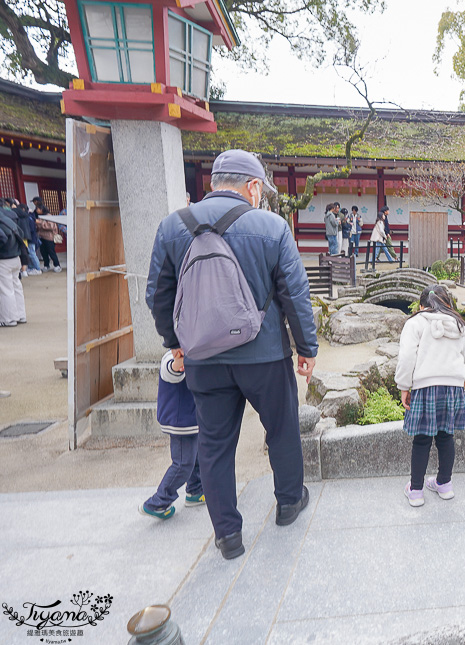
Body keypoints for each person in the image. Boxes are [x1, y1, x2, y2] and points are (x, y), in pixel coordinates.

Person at [146, 149, 319, 560]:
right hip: (264, 355)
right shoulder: (272, 227)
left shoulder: (173, 227)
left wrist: (175, 343)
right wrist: (307, 348)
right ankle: (289, 503)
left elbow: (158, 295)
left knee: (215, 443)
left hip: (203, 359)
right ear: (253, 187)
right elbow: (295, 295)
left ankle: (228, 536)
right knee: (281, 429)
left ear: (214, 183)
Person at [395, 284, 465, 507]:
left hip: (425, 386)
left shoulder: (415, 323)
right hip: (452, 387)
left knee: (422, 439)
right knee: (446, 436)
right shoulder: (458, 324)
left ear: (422, 306)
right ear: (447, 304)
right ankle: (444, 484)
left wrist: (404, 386)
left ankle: (415, 491)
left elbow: (406, 357)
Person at [140, 350, 205, 519]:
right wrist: (179, 362)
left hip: (189, 420)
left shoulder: (194, 352)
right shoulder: (171, 359)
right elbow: (171, 370)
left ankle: (195, 490)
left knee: (195, 456)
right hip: (180, 422)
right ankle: (158, 501)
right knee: (183, 464)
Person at [0, 204, 27, 326]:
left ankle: (9, 319)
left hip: (4, 259)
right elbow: (21, 234)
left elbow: (2, 237)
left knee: (6, 290)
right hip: (16, 257)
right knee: (16, 287)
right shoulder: (8, 218)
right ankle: (21, 315)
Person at [34, 202, 60, 272]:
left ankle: (57, 265)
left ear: (42, 209)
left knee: (51, 252)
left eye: (38, 209)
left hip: (49, 237)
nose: (37, 210)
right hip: (41, 237)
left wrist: (40, 223)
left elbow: (50, 226)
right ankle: (46, 265)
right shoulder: (39, 217)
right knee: (43, 252)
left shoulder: (48, 216)